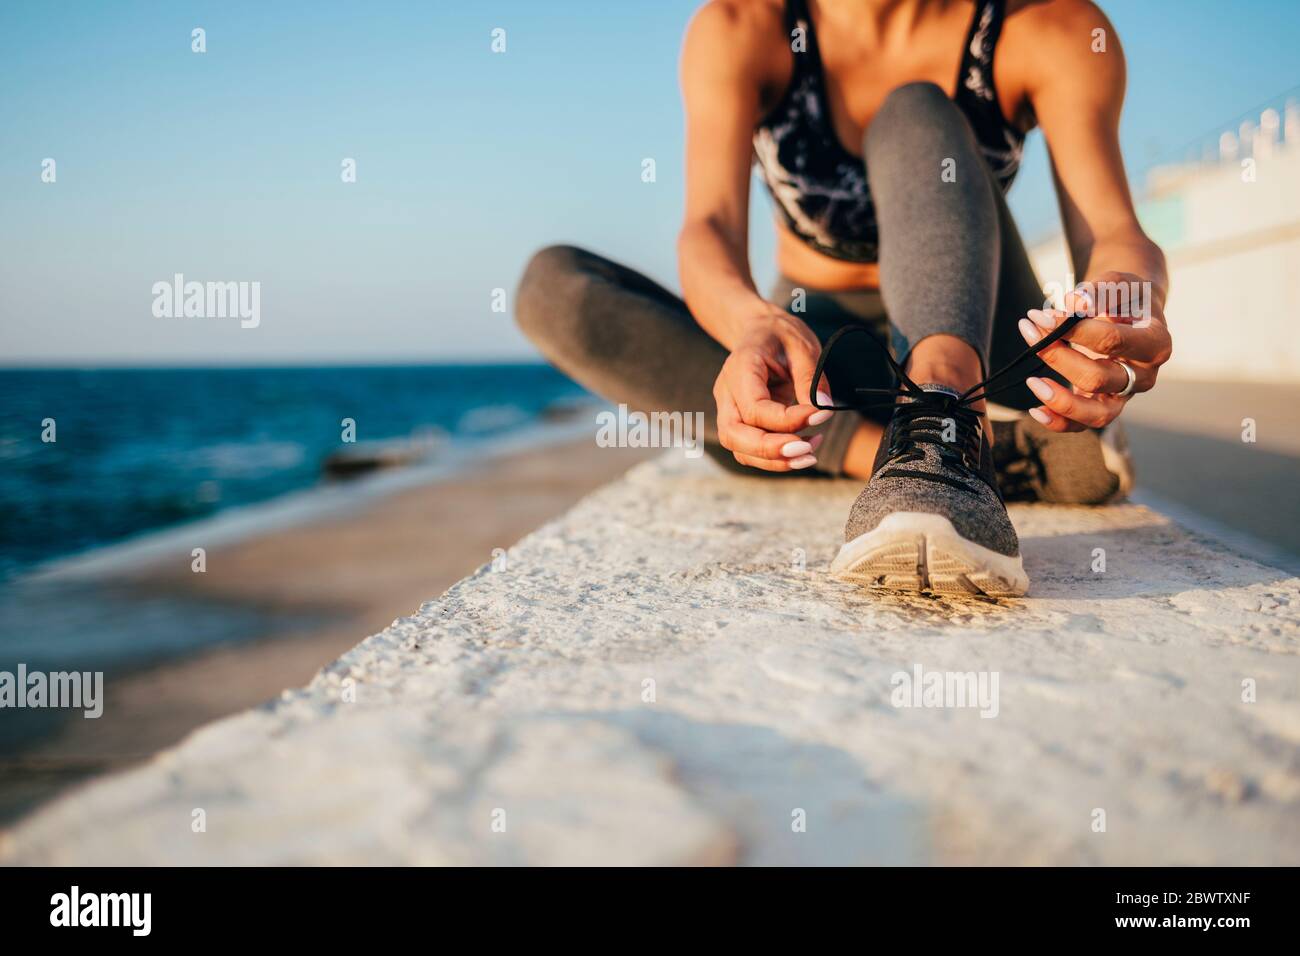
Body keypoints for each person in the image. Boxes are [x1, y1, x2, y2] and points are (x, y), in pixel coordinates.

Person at [516, 0, 1172, 597]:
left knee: (914, 109)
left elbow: (1115, 237)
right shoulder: (745, 27)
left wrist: (1124, 302)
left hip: (988, 349)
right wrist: (750, 323)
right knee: (552, 289)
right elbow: (708, 228)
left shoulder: (1049, 30)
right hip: (823, 357)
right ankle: (926, 456)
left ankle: (946, 417)